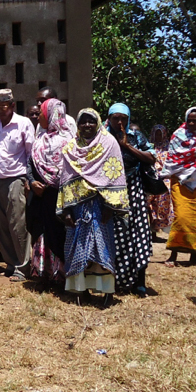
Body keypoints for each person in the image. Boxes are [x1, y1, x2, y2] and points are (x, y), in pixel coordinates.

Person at [58, 109, 128, 303]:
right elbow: (65, 179)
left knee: (102, 247)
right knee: (78, 246)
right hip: (78, 208)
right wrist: (65, 210)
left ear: (97, 123)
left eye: (91, 121)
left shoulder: (109, 144)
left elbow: (115, 176)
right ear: (78, 125)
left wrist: (109, 206)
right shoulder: (70, 147)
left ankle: (106, 291)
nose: (87, 125)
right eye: (83, 122)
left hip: (100, 206)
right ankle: (80, 290)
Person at [0, 89, 35, 282]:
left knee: (17, 223)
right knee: (2, 223)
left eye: (3, 106)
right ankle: (11, 262)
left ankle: (23, 267)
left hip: (16, 179)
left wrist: (29, 180)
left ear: (12, 105)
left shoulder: (23, 124)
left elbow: (31, 154)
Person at [106, 103, 155, 297]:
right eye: (115, 118)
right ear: (108, 119)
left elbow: (151, 158)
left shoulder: (136, 136)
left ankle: (139, 281)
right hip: (110, 191)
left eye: (123, 119)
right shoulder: (102, 137)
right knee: (115, 235)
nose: (119, 122)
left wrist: (126, 146)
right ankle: (115, 279)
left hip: (133, 189)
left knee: (138, 233)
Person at [29, 98, 75, 287]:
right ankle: (44, 273)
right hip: (41, 196)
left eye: (41, 112)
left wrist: (52, 185)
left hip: (60, 196)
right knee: (42, 231)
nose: (38, 115)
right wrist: (32, 182)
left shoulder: (69, 141)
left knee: (59, 233)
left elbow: (71, 171)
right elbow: (29, 164)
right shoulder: (40, 139)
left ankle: (61, 276)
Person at [163, 107, 196, 267]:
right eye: (190, 120)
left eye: (195, 120)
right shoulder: (178, 136)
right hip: (179, 180)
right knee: (181, 217)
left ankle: (194, 255)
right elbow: (172, 158)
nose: (192, 123)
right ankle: (173, 254)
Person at [147, 124, 173, 238]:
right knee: (150, 205)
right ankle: (152, 231)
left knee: (161, 205)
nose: (158, 136)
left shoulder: (169, 147)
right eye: (156, 134)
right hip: (151, 179)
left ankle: (162, 228)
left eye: (160, 134)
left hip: (164, 180)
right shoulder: (149, 147)